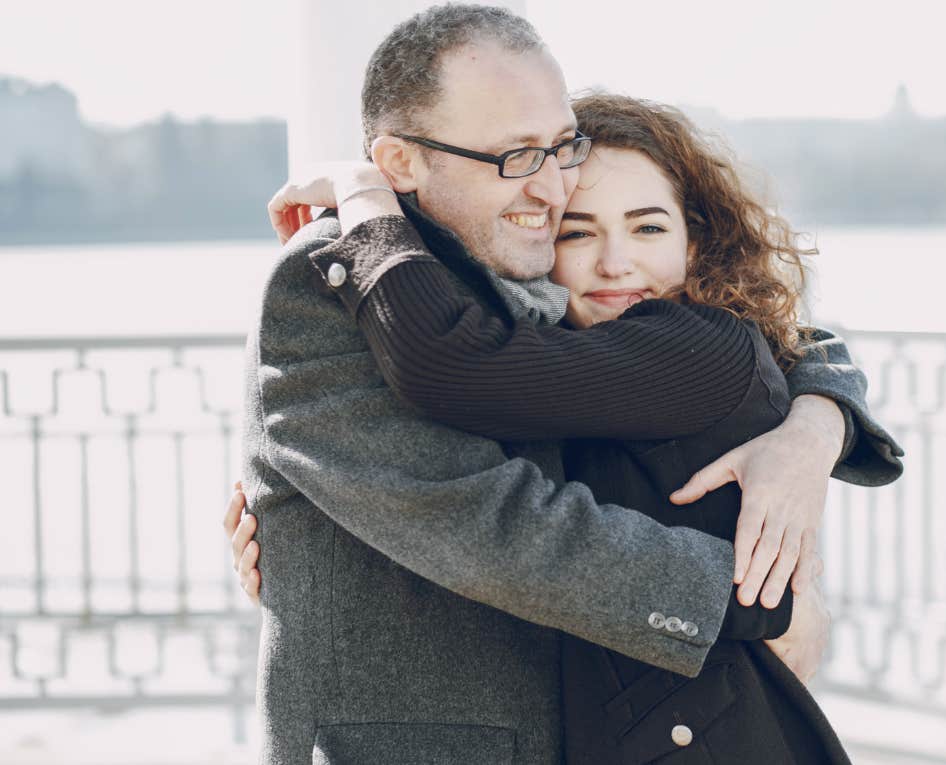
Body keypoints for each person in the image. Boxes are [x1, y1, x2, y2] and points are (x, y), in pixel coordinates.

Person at [233, 4, 901, 763]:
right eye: (518, 156)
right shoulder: (338, 279)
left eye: (560, 147)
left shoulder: (536, 269)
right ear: (403, 163)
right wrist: (756, 597)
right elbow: (497, 526)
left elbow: (770, 342)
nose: (553, 189)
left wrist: (816, 425)